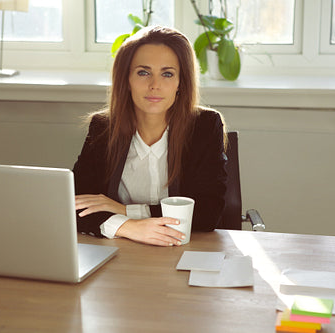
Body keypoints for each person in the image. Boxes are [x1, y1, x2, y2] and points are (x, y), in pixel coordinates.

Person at [73, 26, 227, 246]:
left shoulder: (204, 126)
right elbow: (76, 205)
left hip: (188, 250)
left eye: (167, 74)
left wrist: (126, 211)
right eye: (143, 72)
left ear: (180, 83)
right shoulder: (103, 128)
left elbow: (207, 213)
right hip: (120, 252)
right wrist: (129, 227)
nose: (155, 85)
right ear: (126, 79)